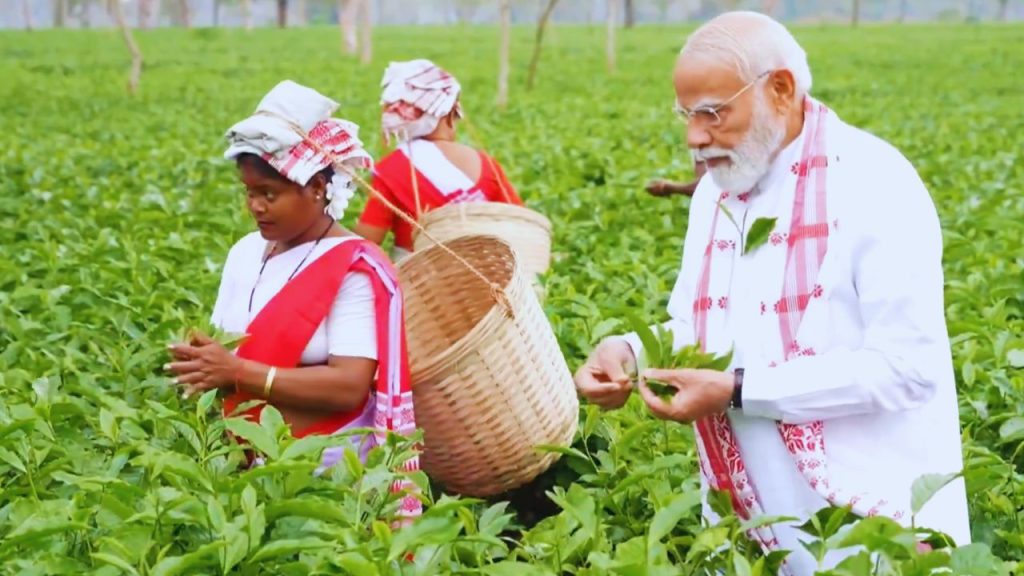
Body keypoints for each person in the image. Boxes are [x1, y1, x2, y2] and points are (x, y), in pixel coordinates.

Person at [573, 11, 969, 574]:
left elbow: (908, 369)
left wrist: (737, 390)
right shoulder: (719, 190)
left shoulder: (874, 182)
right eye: (686, 115)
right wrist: (629, 351)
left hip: (864, 522)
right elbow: (698, 327)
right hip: (754, 516)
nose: (693, 137)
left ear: (780, 89)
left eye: (712, 112)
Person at [164, 80, 420, 519]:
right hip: (245, 463)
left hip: (328, 475)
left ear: (318, 186)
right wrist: (203, 362)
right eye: (249, 192)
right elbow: (233, 343)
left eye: (269, 193)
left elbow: (348, 386)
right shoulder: (244, 252)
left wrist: (237, 371)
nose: (256, 207)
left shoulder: (354, 266)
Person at [354, 59, 524, 261]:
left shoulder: (392, 168)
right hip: (484, 274)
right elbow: (520, 222)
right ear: (450, 115)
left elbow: (368, 239)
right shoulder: (485, 163)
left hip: (419, 278)